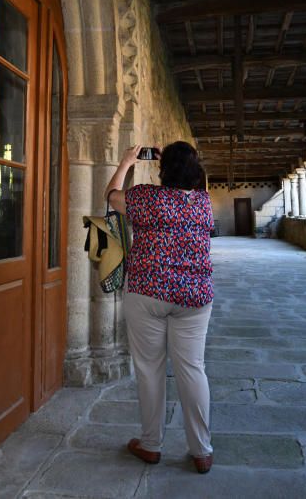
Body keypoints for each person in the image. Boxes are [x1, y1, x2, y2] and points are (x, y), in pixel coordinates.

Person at [105, 141, 215, 474]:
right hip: (194, 296)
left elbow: (111, 195)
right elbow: (196, 185)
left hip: (148, 292)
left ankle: (151, 445)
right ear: (196, 171)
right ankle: (202, 451)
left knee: (150, 368)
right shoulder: (203, 203)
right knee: (192, 368)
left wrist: (126, 161)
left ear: (162, 168)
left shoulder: (145, 198)